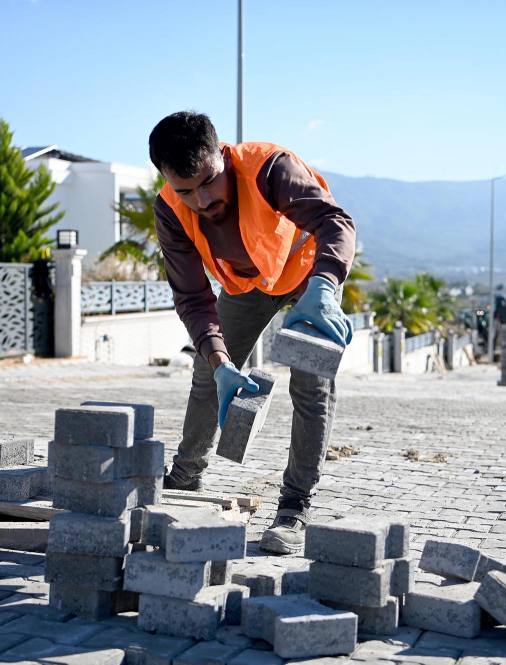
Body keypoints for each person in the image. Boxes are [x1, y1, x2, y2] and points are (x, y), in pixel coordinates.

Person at [150, 111, 357, 554]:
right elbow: (192, 297)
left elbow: (335, 222)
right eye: (186, 190)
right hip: (250, 286)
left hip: (307, 274)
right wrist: (220, 359)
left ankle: (294, 505)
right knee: (208, 374)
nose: (202, 200)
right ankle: (185, 478)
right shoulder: (170, 209)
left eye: (208, 181)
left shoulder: (269, 167)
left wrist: (324, 286)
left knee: (311, 384)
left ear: (221, 155)